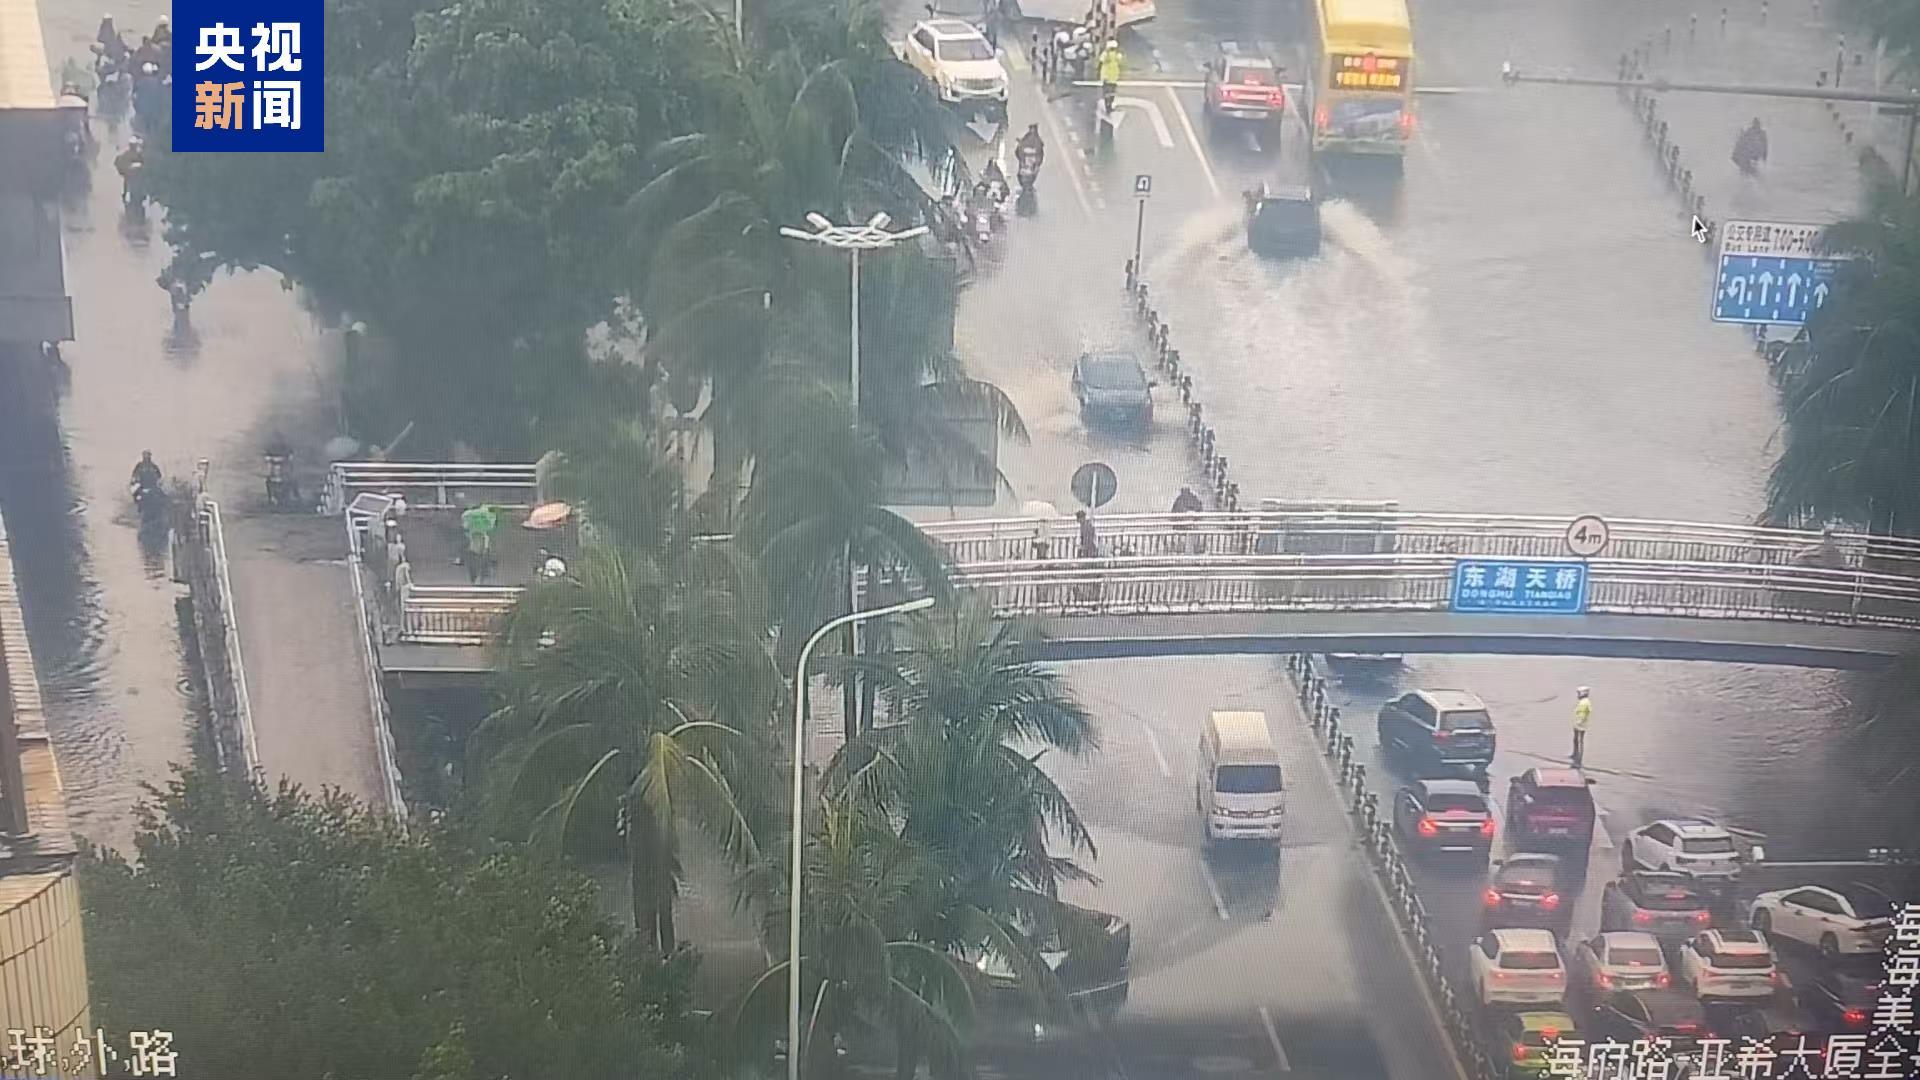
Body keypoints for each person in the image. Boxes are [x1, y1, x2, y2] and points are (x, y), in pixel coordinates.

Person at [1571, 686, 1593, 767]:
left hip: (1580, 724)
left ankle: (1578, 759)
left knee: (1579, 741)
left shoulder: (1584, 703)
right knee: (1576, 739)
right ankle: (1575, 754)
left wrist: (1579, 722)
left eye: (1579, 693)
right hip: (1578, 723)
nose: (1578, 695)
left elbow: (1584, 714)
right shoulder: (1584, 701)